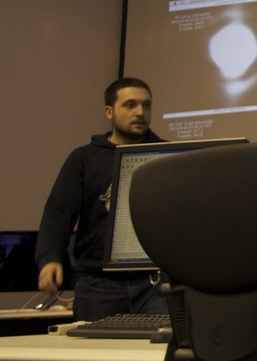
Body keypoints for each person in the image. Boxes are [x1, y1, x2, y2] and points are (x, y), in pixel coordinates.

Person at [35, 77, 168, 320]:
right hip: (97, 284)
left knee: (158, 354)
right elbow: (59, 213)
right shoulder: (84, 159)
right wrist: (49, 258)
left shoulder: (168, 157)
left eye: (146, 105)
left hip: (154, 283)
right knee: (94, 355)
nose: (140, 112)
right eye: (130, 105)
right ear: (109, 111)